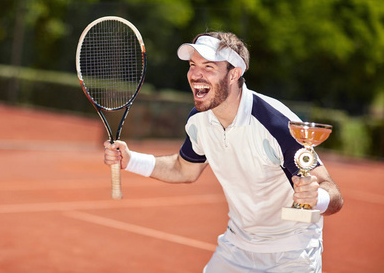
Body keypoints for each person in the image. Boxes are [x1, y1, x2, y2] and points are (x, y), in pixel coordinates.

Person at [103, 31, 343, 272]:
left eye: (208, 67)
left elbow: (332, 193)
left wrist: (316, 198)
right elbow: (184, 169)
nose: (195, 74)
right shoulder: (198, 120)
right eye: (192, 65)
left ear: (234, 74)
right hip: (236, 247)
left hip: (292, 254)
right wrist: (131, 159)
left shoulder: (276, 124)